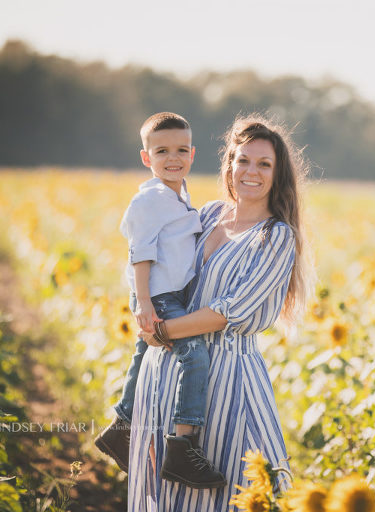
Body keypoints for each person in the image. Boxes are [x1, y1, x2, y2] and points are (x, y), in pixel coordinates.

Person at [128, 114, 312, 511]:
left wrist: (161, 331)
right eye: (243, 160)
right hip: (170, 371)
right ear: (229, 164)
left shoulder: (275, 235)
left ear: (277, 175)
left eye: (264, 164)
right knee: (165, 494)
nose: (251, 171)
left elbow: (225, 312)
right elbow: (154, 261)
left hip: (229, 378)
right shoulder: (206, 214)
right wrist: (145, 311)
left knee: (237, 493)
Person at [95, 112, 225, 488]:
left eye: (181, 149)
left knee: (142, 352)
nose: (173, 157)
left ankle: (121, 427)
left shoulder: (178, 195)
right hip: (161, 294)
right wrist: (144, 302)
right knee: (195, 355)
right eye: (162, 150)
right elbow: (141, 252)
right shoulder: (151, 199)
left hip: (169, 292)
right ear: (145, 157)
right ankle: (182, 448)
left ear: (193, 153)